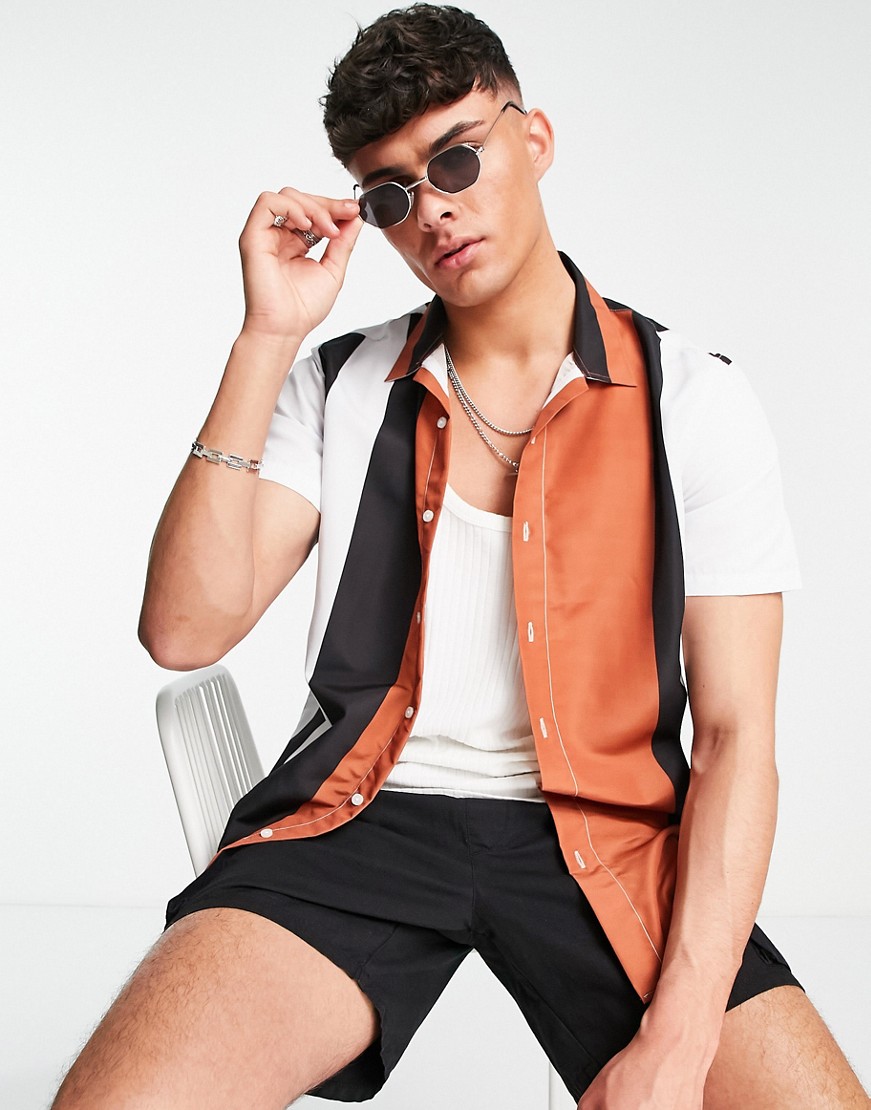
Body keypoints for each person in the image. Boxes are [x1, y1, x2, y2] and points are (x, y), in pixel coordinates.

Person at [53, 5, 867, 1107]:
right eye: (390, 193)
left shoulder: (692, 401)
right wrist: (267, 336)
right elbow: (184, 631)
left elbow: (734, 739)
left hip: (612, 837)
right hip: (357, 820)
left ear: (534, 139)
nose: (432, 208)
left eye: (455, 158)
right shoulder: (336, 385)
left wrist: (676, 1047)